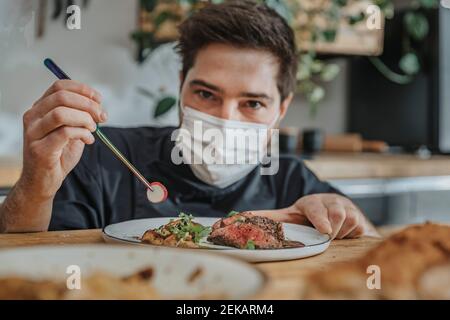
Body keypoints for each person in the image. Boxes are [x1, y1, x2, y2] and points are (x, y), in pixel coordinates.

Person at [0, 0, 378, 239]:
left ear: (281, 108)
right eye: (206, 94)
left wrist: (349, 219)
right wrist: (36, 185)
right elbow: (23, 262)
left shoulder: (292, 180)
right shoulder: (99, 156)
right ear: (181, 86)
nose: (224, 119)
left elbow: (370, 255)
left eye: (252, 103)